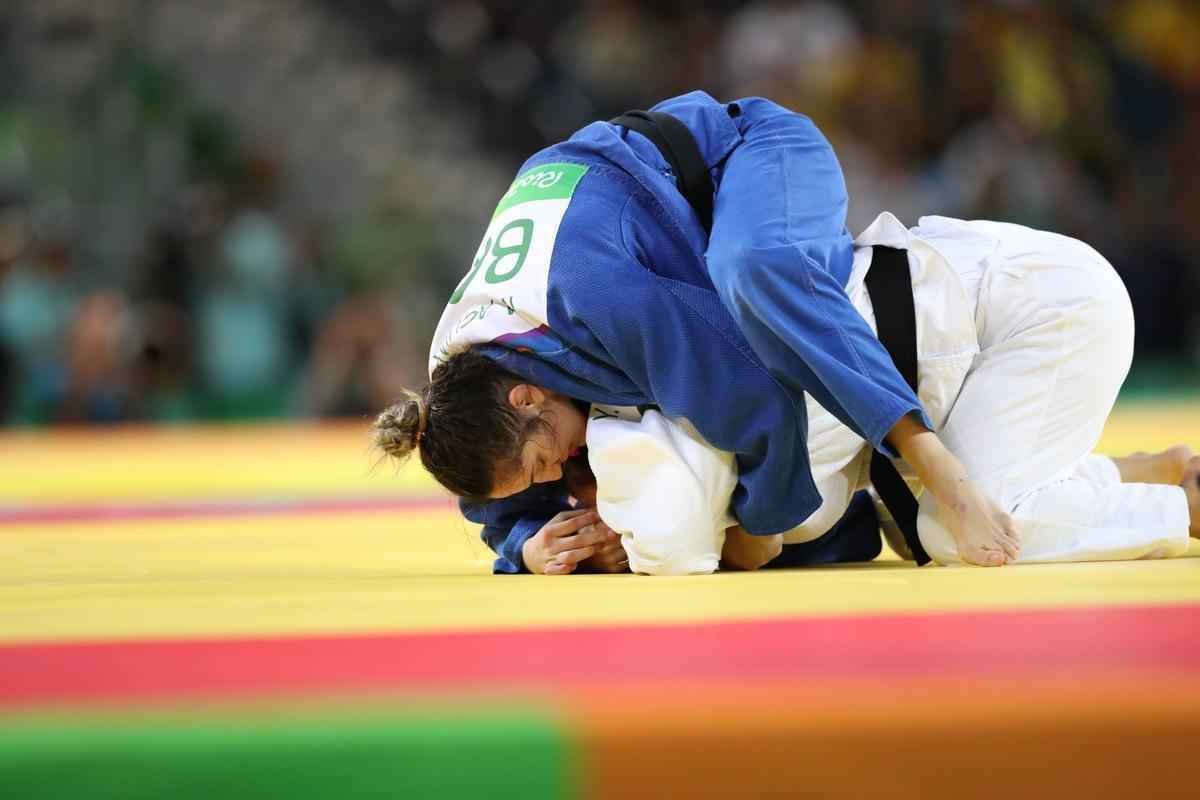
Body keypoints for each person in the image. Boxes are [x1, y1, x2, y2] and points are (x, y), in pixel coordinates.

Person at [372, 91, 1196, 574]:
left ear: (525, 392)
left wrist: (755, 532)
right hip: (979, 292)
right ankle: (1131, 476)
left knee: (756, 271)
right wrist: (524, 545)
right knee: (909, 529)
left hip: (754, 150)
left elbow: (757, 397)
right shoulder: (467, 375)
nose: (563, 469)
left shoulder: (595, 303)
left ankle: (948, 461)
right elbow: (496, 486)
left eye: (550, 452)